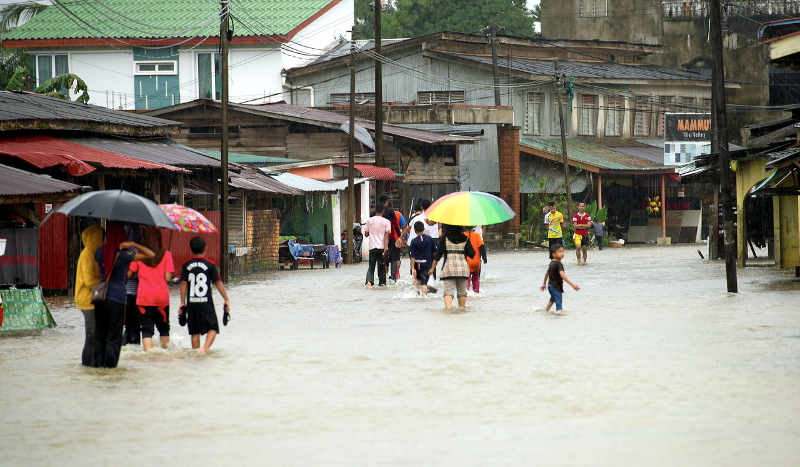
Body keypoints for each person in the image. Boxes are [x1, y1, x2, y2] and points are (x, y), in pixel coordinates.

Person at [93, 222, 155, 368]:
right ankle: (110, 369)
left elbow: (97, 274)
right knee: (114, 337)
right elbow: (151, 255)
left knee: (100, 335)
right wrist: (134, 244)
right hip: (117, 298)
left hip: (100, 298)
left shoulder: (99, 251)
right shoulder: (124, 254)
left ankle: (98, 368)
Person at [179, 236, 231, 354]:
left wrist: (182, 302)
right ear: (205, 248)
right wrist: (226, 299)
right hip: (206, 302)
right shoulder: (210, 265)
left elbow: (183, 283)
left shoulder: (186, 265)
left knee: (194, 331)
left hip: (192, 302)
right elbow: (218, 283)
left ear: (191, 249)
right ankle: (204, 349)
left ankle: (196, 351)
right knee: (212, 327)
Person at [129, 227, 174, 352]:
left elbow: (128, 274)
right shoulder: (167, 254)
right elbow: (168, 278)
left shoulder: (139, 256)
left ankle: (148, 353)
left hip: (144, 298)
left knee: (146, 329)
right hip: (162, 298)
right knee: (164, 328)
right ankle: (165, 352)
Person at [75, 224, 103, 366]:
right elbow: (89, 281)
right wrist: (104, 282)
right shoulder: (88, 254)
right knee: (91, 337)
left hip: (90, 300)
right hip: (87, 300)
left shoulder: (91, 253)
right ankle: (87, 366)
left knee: (93, 336)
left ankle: (92, 365)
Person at [428, 224, 475, 309]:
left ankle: (448, 310)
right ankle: (461, 310)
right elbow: (472, 254)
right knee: (462, 293)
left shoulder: (445, 238)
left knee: (448, 292)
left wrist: (432, 268)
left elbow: (438, 255)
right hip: (463, 269)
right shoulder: (465, 238)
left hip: (449, 269)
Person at [539, 243, 580, 313]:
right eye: (559, 252)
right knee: (559, 305)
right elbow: (562, 275)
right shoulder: (558, 264)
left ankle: (545, 312)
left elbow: (547, 273)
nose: (562, 253)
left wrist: (544, 284)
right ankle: (559, 318)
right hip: (556, 287)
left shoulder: (551, 263)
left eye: (563, 251)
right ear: (554, 254)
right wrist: (572, 285)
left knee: (552, 300)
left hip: (550, 286)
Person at [364, 204, 391, 287]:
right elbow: (386, 237)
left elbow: (366, 234)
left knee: (371, 267)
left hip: (372, 247)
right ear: (383, 211)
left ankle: (369, 281)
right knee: (382, 267)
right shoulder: (386, 222)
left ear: (375, 210)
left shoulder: (369, 221)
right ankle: (382, 284)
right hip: (382, 247)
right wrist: (385, 248)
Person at [123, 225, 141, 346]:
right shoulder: (137, 252)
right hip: (135, 293)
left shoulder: (120, 251)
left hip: (122, 293)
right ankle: (135, 345)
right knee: (135, 324)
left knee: (127, 323)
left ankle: (125, 345)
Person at [409, 221, 437, 297]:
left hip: (417, 264)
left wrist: (412, 268)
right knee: (424, 283)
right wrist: (434, 262)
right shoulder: (429, 239)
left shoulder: (413, 241)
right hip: (426, 264)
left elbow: (412, 256)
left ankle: (414, 294)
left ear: (414, 230)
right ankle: (424, 298)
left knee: (416, 280)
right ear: (424, 229)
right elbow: (434, 252)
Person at [465, 226, 487, 294]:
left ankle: (467, 291)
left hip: (466, 263)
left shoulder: (463, 236)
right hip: (476, 263)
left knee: (466, 278)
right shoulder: (477, 235)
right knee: (476, 276)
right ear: (474, 226)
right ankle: (476, 291)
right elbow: (482, 247)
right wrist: (484, 258)